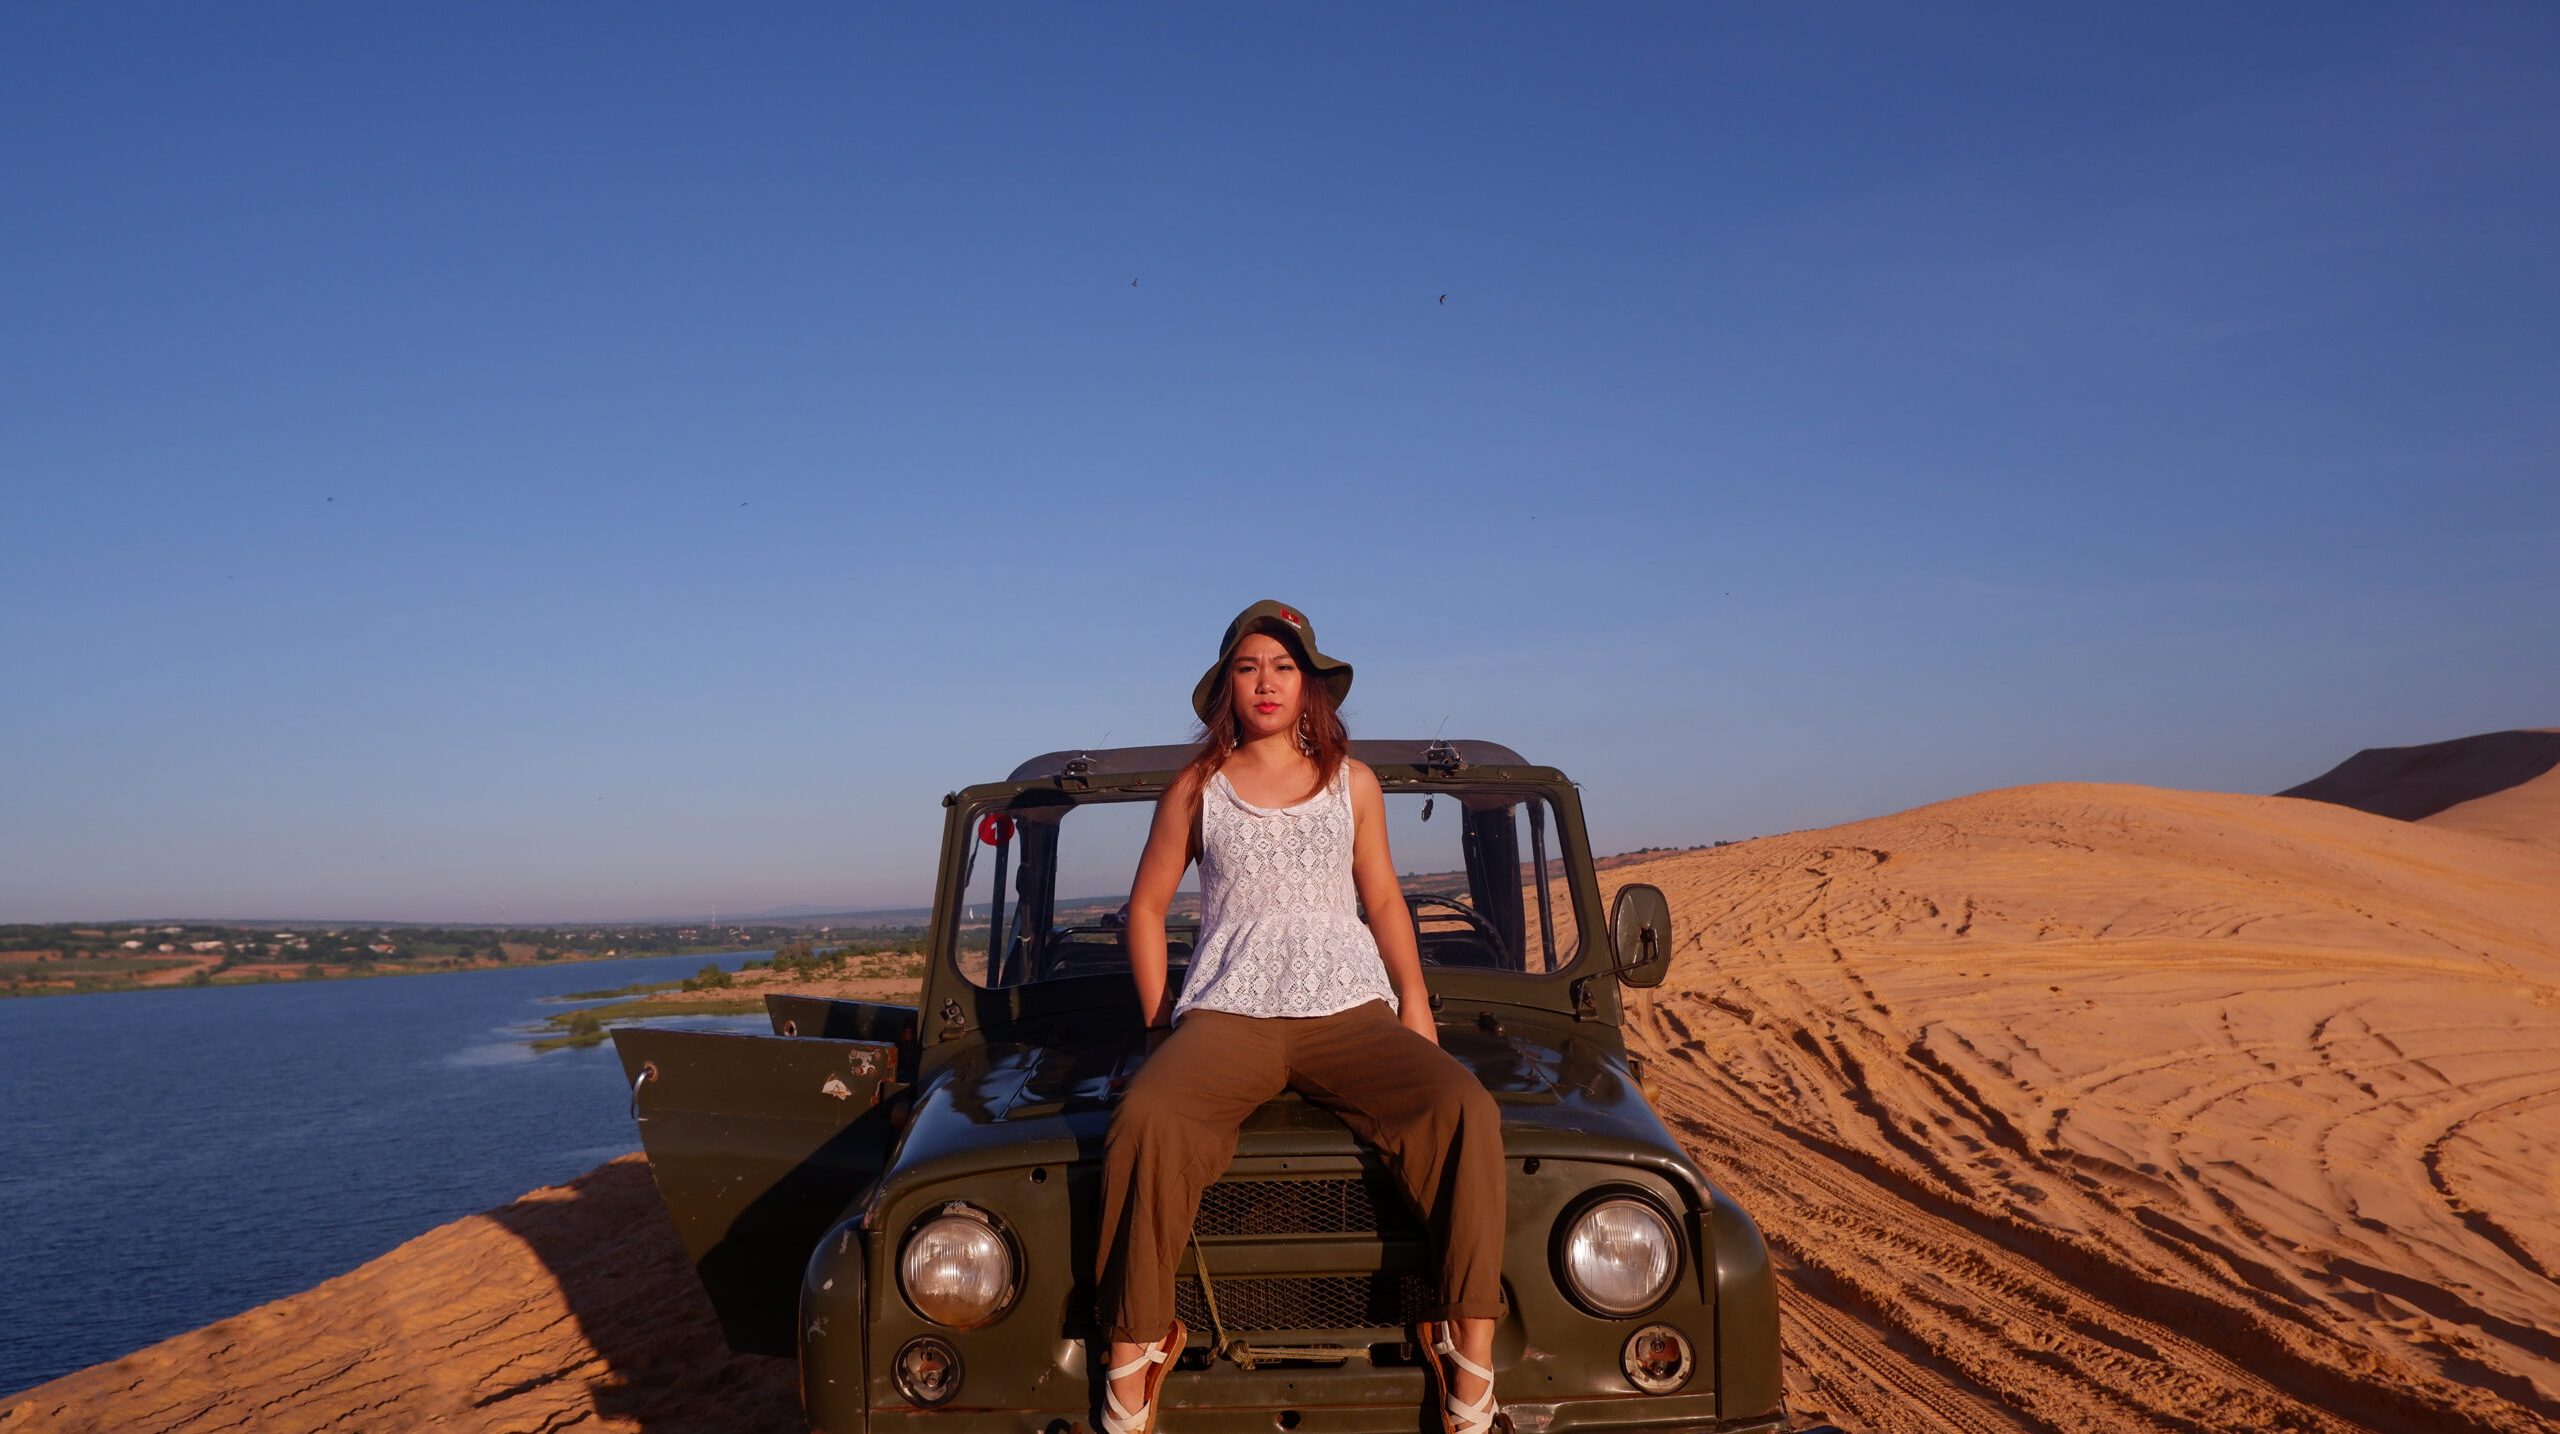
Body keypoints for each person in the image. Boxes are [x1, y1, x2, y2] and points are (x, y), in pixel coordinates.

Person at [1093, 600, 1507, 1434]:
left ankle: (1470, 1354)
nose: (1266, 683)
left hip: (1347, 1009)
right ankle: (1132, 1354)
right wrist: (1159, 1022)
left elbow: (1384, 896)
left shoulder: (1351, 781)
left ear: (1311, 684)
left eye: (1283, 667)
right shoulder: (1195, 789)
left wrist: (1415, 1001)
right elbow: (1144, 910)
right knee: (1146, 1118)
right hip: (1230, 1011)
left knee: (1464, 1108)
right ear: (1227, 689)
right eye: (1248, 668)